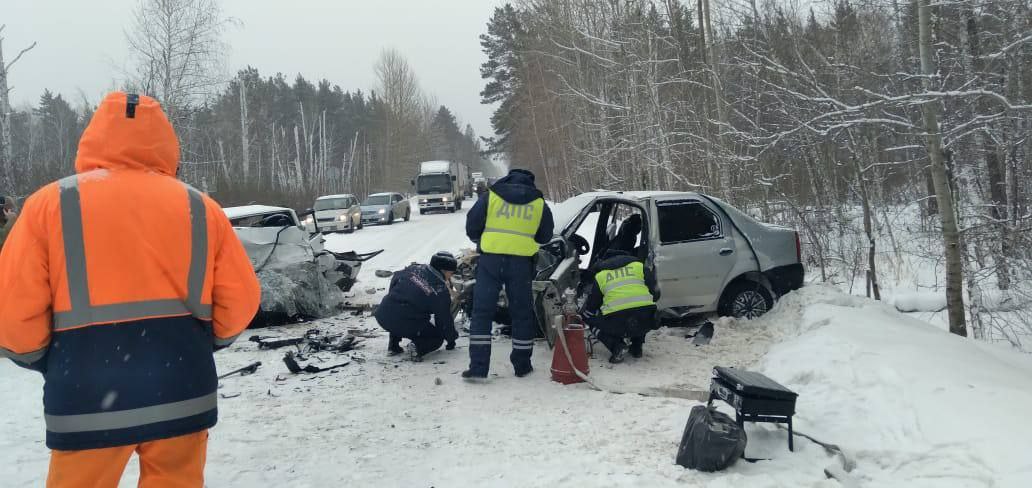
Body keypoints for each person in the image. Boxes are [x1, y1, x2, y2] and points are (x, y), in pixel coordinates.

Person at [0, 92, 261, 488]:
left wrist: (45, 359)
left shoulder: (49, 205)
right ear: (166, 143)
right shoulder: (199, 207)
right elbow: (240, 299)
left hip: (86, 397)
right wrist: (198, 343)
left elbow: (13, 310)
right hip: (182, 391)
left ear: (92, 138)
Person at [463, 168, 554, 380]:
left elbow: (472, 225)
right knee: (522, 313)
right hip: (521, 264)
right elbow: (545, 236)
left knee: (482, 313)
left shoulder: (491, 196)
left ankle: (478, 367)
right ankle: (522, 365)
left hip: (490, 261)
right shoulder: (538, 202)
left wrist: (482, 240)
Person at [374, 251, 460, 361]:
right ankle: (417, 348)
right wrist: (451, 339)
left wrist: (394, 297)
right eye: (451, 273)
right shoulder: (440, 290)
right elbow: (443, 320)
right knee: (437, 338)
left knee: (398, 310)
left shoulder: (414, 269)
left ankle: (393, 345)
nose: (451, 276)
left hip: (383, 314)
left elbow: (395, 278)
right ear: (442, 270)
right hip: (405, 322)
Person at [581, 249, 660, 363]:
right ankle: (637, 347)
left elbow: (593, 305)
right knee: (642, 309)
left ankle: (617, 346)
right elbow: (655, 293)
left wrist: (584, 314)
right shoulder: (639, 267)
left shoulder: (601, 276)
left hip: (617, 322)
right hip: (647, 321)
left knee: (590, 319)